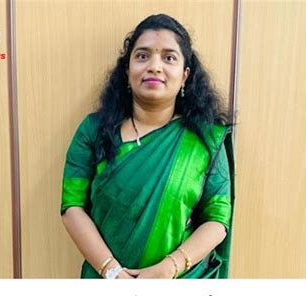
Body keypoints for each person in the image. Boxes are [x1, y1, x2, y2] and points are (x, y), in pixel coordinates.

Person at [61, 14, 235, 279]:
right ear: (127, 70)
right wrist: (112, 271)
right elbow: (72, 206)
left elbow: (218, 218)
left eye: (169, 58)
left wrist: (169, 268)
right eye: (142, 56)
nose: (154, 66)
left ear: (185, 75)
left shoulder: (205, 139)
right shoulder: (93, 131)